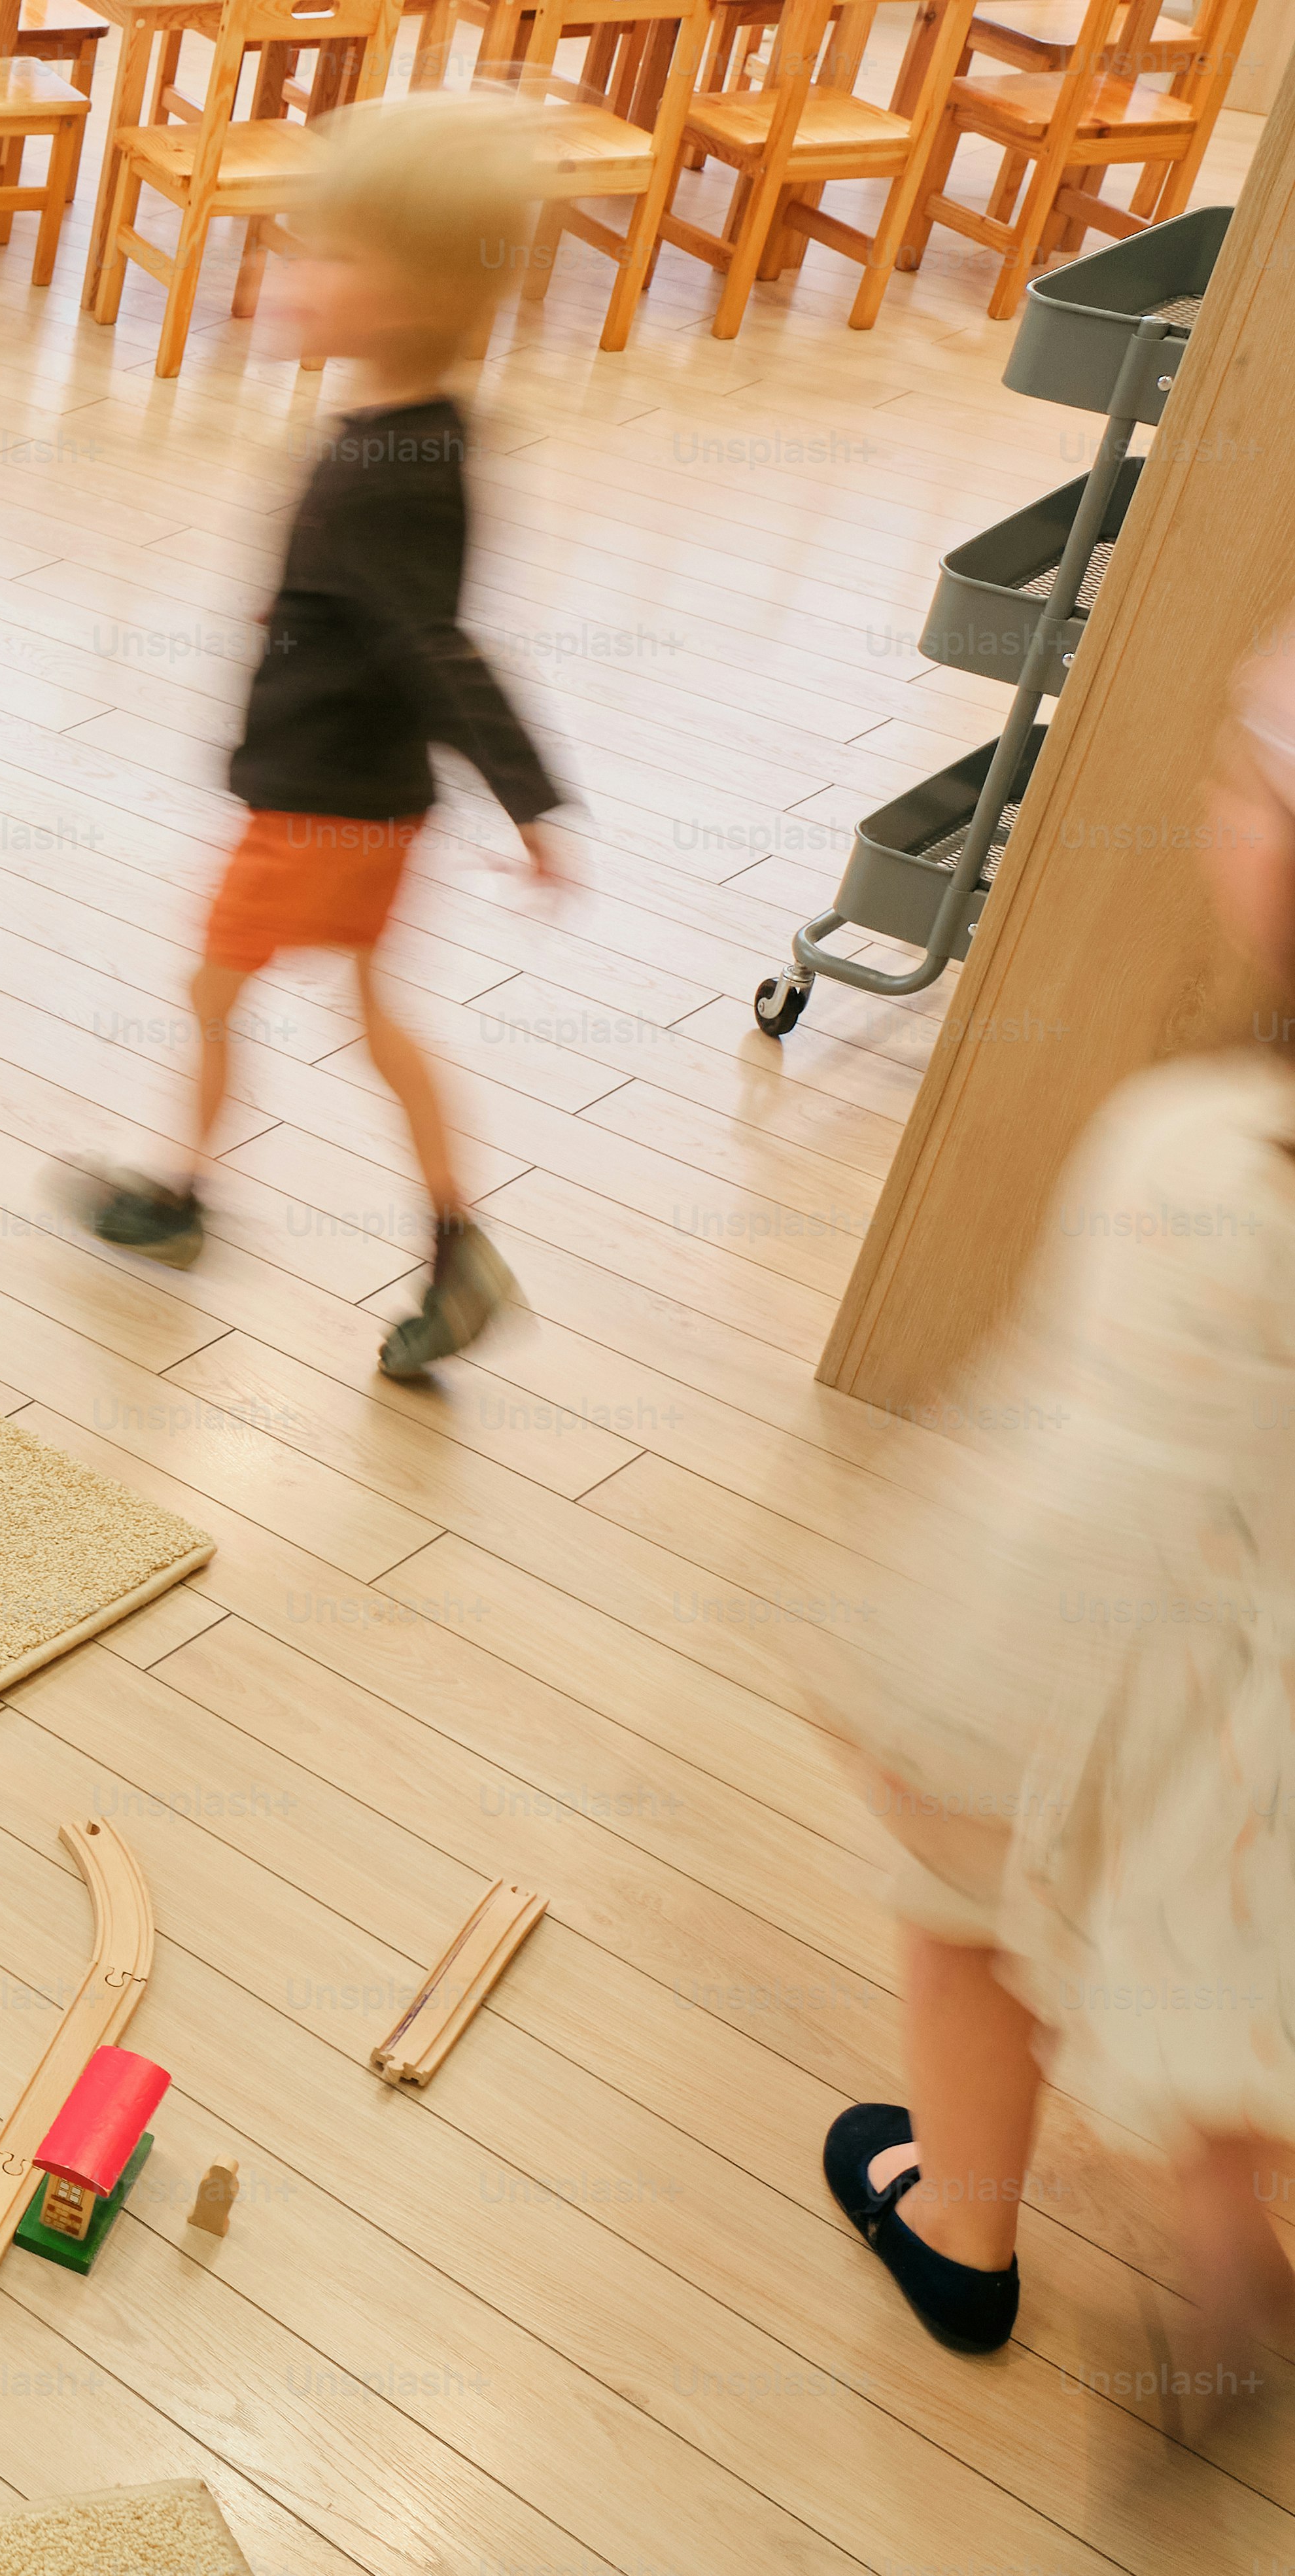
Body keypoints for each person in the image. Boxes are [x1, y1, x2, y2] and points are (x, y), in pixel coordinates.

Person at [807, 633, 1295, 2411]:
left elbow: (1081, 1482)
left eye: (1246, 779)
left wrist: (913, 1688)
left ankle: (961, 2225)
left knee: (972, 1915)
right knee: (1239, 1979)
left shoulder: (1205, 1151)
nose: (1212, 800)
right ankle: (1236, 2238)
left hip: (1117, 1672)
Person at [79, 94, 582, 1381]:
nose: (285, 270)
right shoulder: (412, 434)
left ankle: (181, 1198)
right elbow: (388, 615)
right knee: (371, 1018)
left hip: (320, 807)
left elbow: (434, 643)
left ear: (410, 298)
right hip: (360, 797)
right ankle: (454, 1246)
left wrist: (531, 803)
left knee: (214, 989)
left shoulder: (390, 469)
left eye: (325, 255)